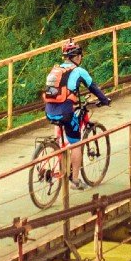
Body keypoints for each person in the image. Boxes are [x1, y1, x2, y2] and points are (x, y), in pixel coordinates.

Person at [40, 40, 111, 173]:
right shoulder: (79, 71)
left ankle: (56, 146)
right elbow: (93, 87)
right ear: (77, 57)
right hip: (65, 113)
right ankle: (75, 180)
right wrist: (105, 100)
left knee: (60, 122)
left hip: (49, 112)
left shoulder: (56, 70)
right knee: (76, 144)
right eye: (80, 56)